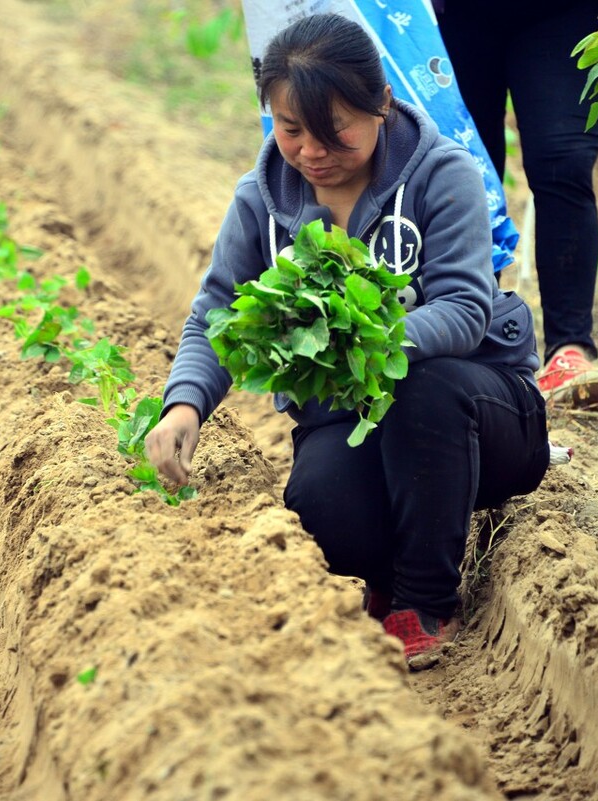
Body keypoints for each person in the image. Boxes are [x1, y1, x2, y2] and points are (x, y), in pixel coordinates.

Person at [145, 13, 551, 670]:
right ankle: (389, 564)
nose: (310, 151)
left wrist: (360, 336)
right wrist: (184, 404)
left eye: (334, 131)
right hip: (353, 413)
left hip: (481, 407)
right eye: (290, 129)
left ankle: (424, 597)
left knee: (421, 386)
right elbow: (215, 314)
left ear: (381, 104)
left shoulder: (440, 175)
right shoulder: (262, 199)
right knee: (322, 512)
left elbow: (465, 309)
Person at [435, 0, 598, 407]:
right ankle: (474, 344)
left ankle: (569, 352)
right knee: (456, 170)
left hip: (563, 11)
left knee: (564, 162)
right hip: (450, 15)